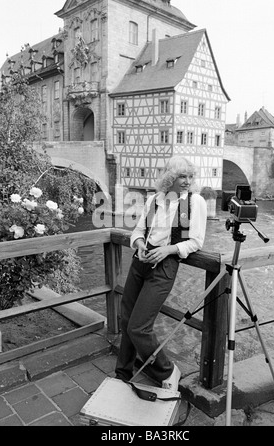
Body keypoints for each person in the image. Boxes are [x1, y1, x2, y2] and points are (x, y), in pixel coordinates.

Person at [115, 156, 207, 391]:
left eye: (190, 176)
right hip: (141, 261)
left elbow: (196, 241)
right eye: (181, 176)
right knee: (126, 319)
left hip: (165, 265)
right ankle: (122, 372)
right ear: (170, 177)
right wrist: (138, 243)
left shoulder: (194, 202)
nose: (187, 181)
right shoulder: (155, 200)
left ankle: (167, 370)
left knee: (139, 327)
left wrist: (168, 250)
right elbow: (139, 230)